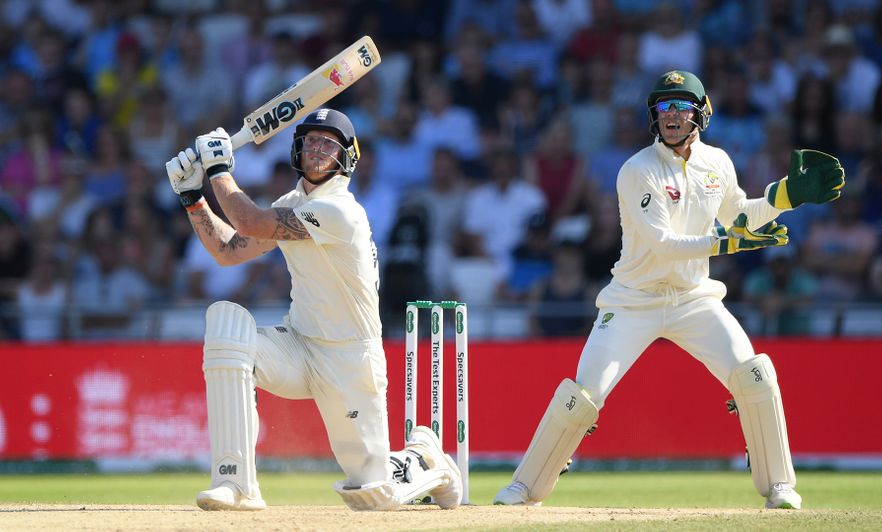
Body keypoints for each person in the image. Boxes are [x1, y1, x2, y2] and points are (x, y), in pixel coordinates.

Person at [493, 70, 845, 510]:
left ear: (701, 113)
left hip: (695, 299)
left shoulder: (717, 163)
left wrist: (786, 196)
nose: (671, 115)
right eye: (663, 108)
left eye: (680, 106)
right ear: (654, 118)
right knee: (582, 396)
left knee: (754, 374)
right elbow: (664, 244)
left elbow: (741, 212)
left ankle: (779, 487)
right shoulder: (637, 170)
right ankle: (524, 488)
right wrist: (731, 241)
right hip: (633, 300)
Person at [164, 108, 462, 511]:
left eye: (329, 142)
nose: (317, 149)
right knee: (225, 325)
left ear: (348, 157)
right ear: (297, 149)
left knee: (371, 494)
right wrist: (192, 197)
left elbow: (249, 221)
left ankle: (427, 462)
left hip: (349, 359)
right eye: (311, 140)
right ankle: (235, 483)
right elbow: (228, 250)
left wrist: (217, 167)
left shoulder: (341, 213)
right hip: (300, 346)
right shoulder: (291, 203)